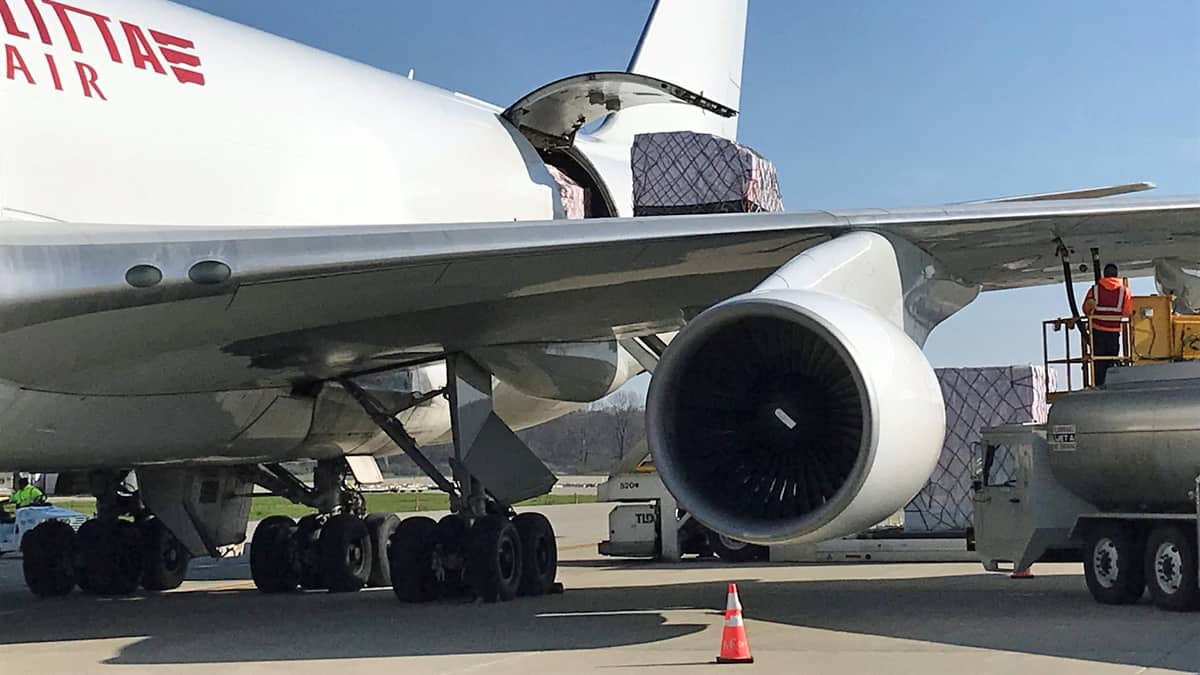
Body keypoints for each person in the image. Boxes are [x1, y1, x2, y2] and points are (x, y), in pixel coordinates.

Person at [1082, 263, 1133, 386]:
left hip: (1097, 331)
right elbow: (1127, 312)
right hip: (1113, 332)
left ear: (1104, 275)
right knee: (1112, 359)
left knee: (1098, 362)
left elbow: (1085, 309)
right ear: (1116, 275)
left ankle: (1098, 384)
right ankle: (1110, 384)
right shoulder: (1124, 291)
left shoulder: (1094, 290)